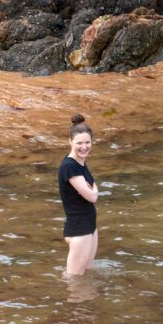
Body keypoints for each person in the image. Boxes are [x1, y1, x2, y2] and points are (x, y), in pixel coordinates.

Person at [58, 114, 98, 276]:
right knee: (74, 281)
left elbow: (92, 186)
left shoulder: (80, 162)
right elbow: (92, 196)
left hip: (89, 225)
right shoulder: (69, 166)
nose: (84, 147)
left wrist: (93, 189)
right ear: (70, 142)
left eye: (87, 142)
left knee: (86, 275)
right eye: (79, 143)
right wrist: (95, 190)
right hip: (79, 229)